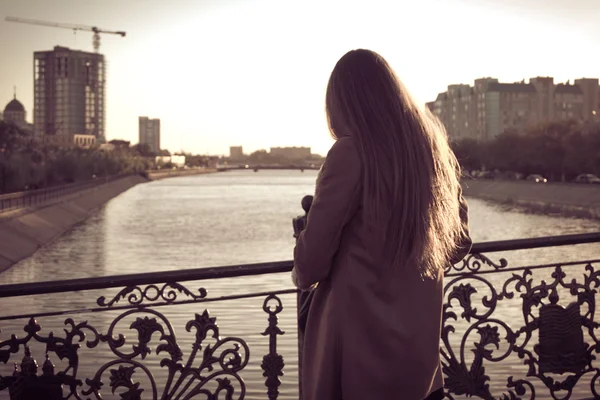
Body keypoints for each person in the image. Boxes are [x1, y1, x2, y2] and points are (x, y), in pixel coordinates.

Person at [291, 49, 472, 400]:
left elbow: (310, 266)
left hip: (358, 354)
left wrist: (307, 233)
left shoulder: (350, 153)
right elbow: (457, 243)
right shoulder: (432, 154)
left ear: (341, 104)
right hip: (418, 358)